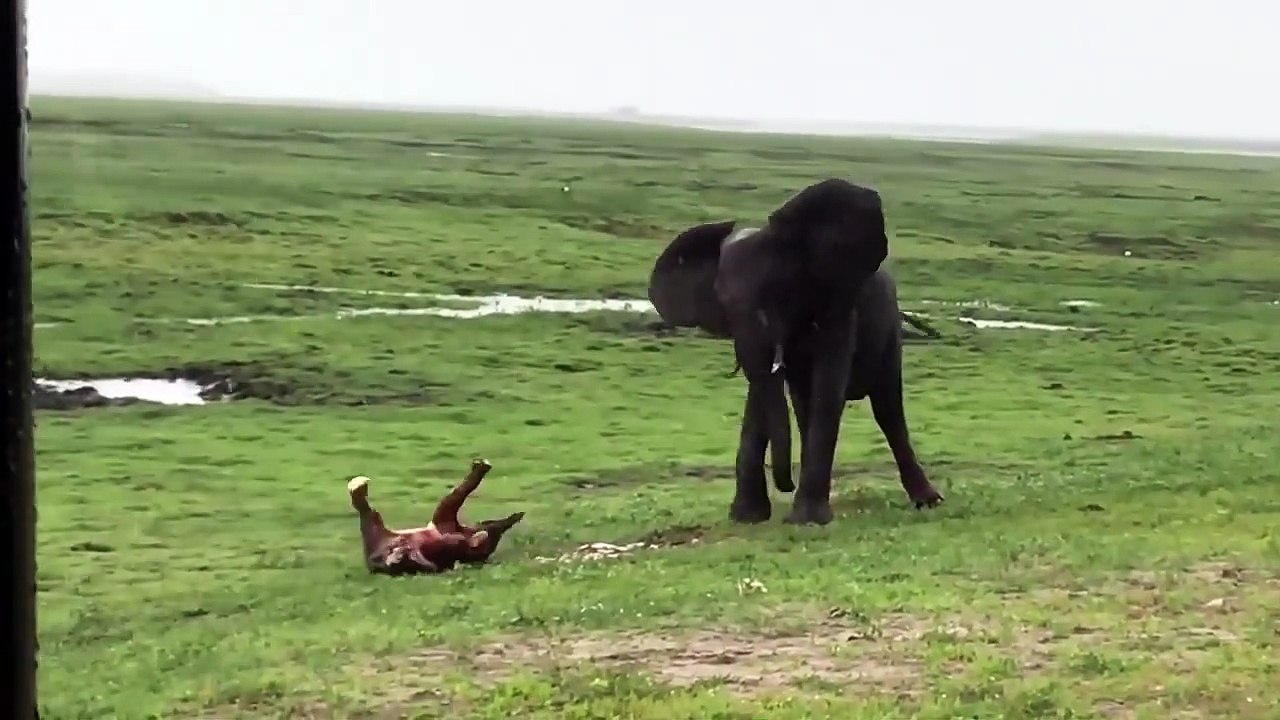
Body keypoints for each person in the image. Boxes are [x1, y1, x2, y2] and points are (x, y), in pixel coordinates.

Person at [348, 459, 524, 575]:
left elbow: (425, 564)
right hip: (411, 546)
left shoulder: (463, 546)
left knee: (383, 548)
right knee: (450, 503)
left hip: (393, 552)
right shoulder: (460, 539)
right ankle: (479, 471)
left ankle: (360, 501)